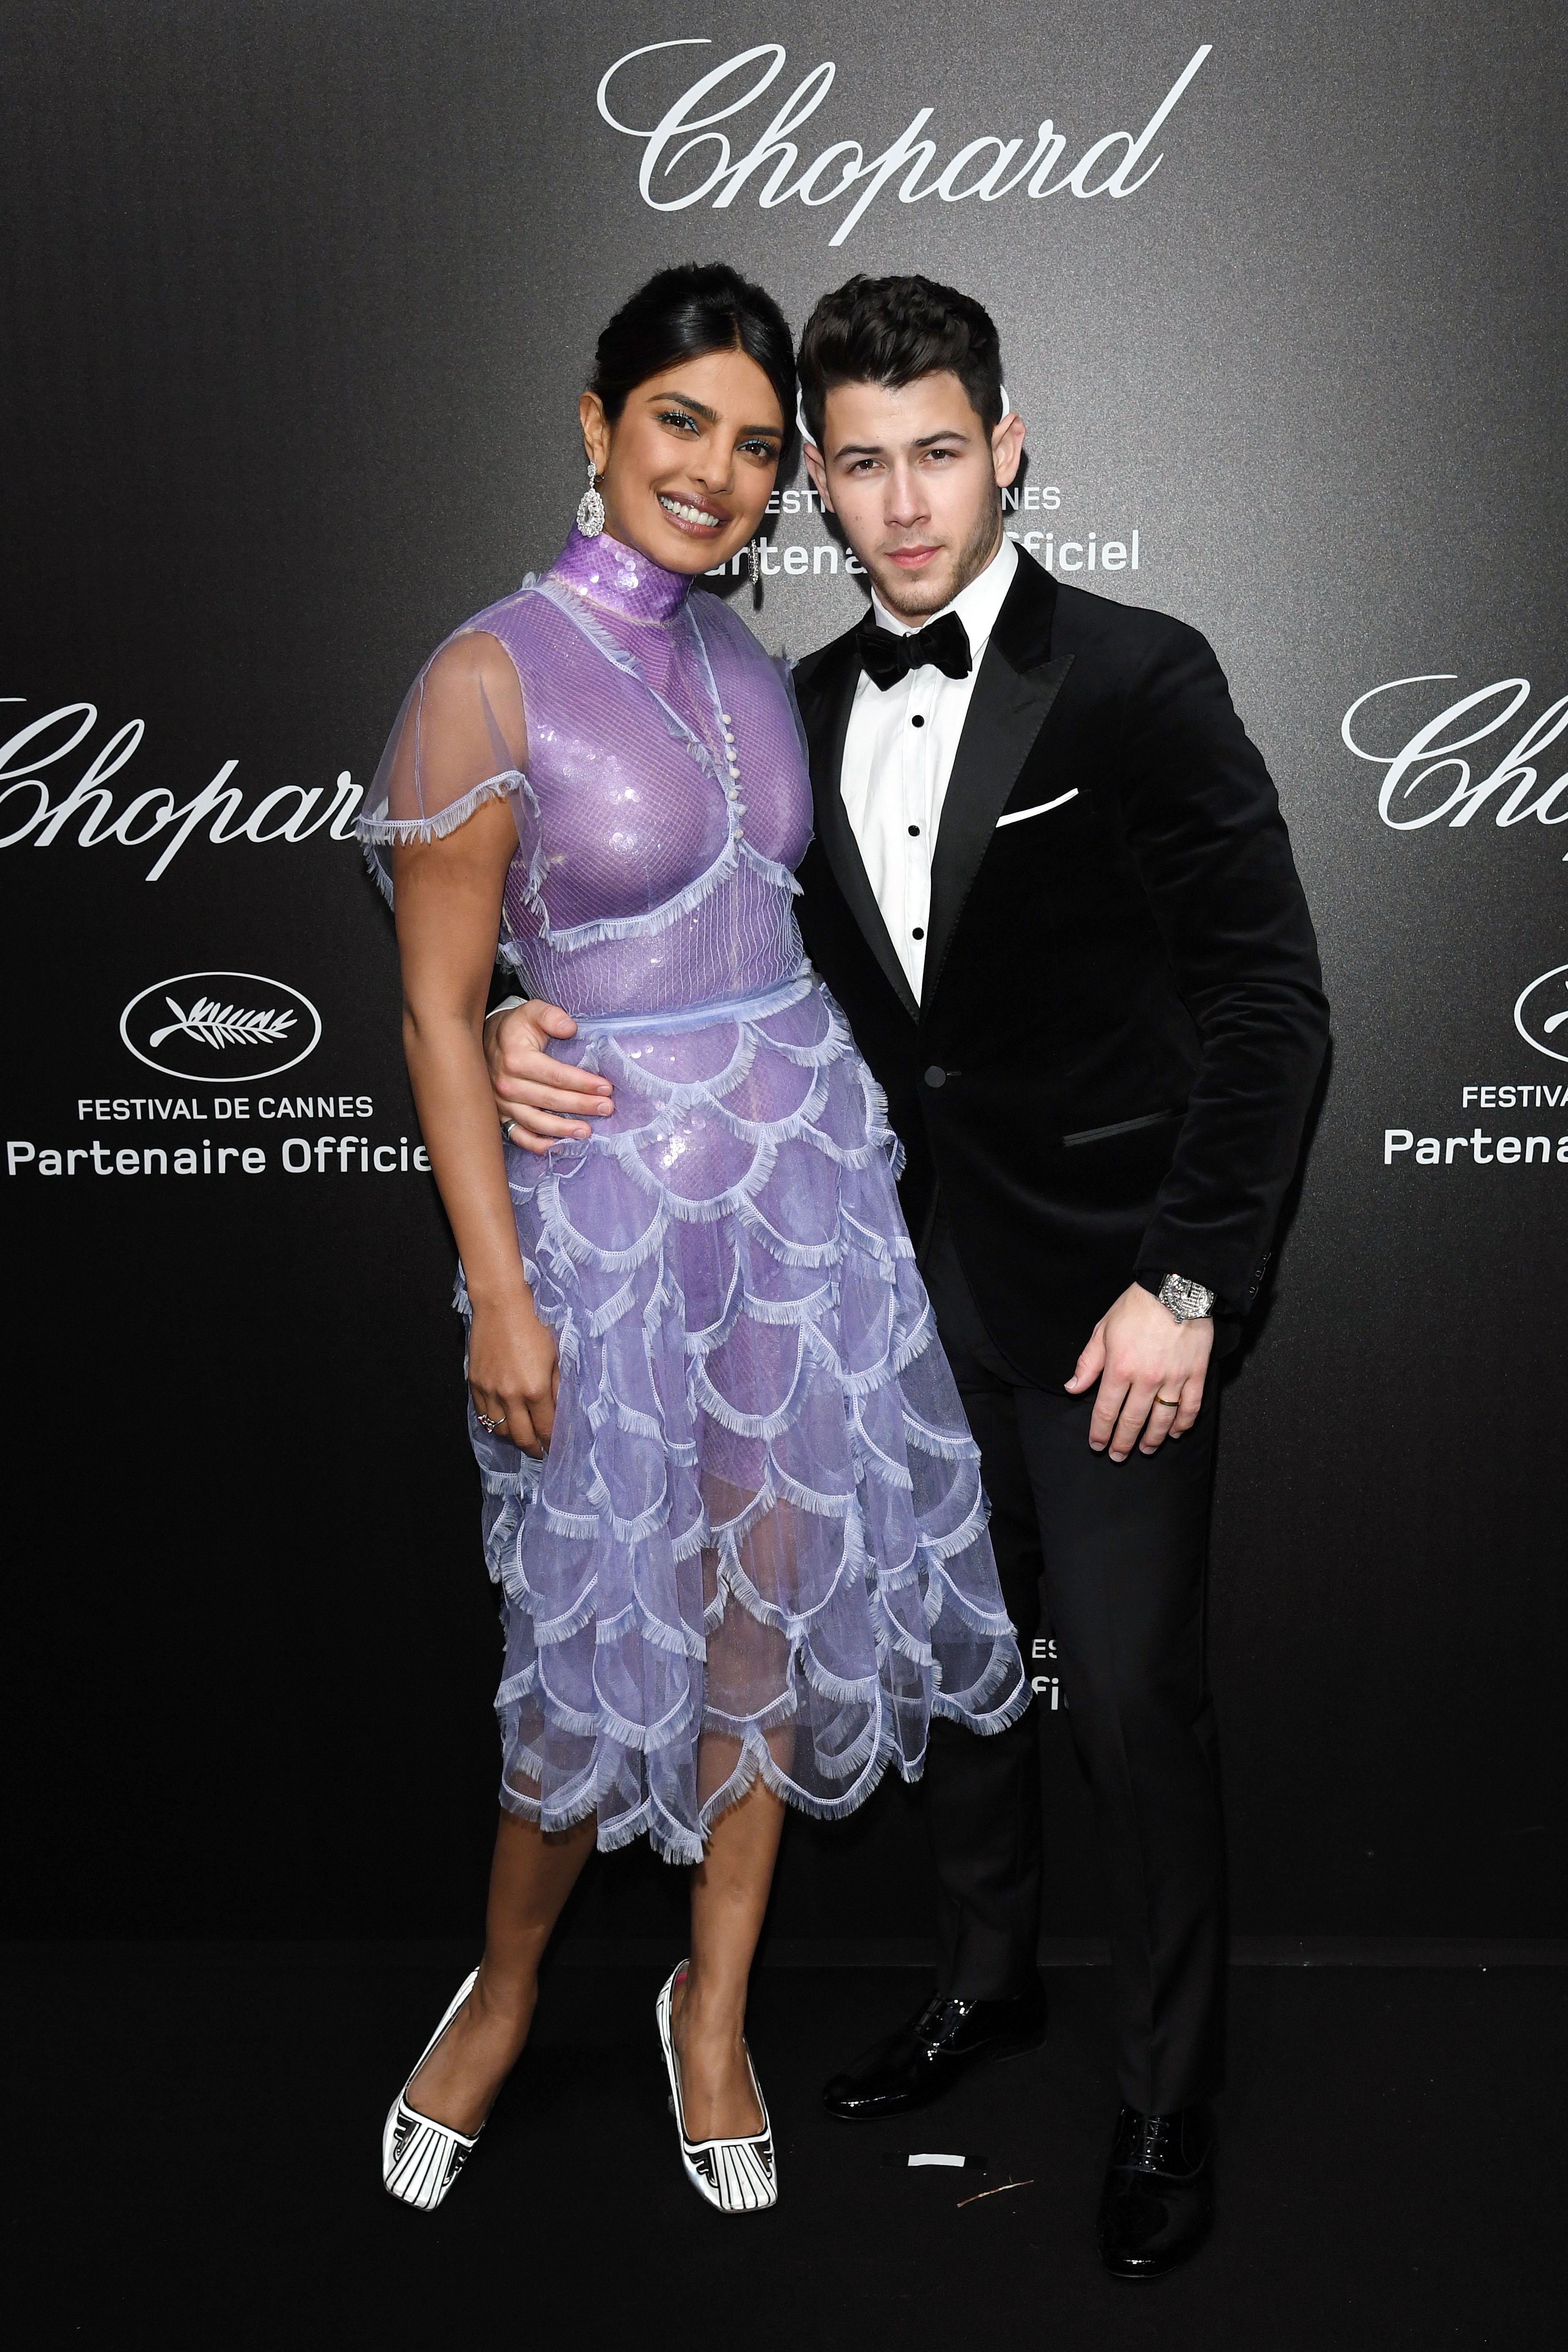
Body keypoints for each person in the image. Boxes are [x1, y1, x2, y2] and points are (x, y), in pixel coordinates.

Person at [487, 273, 1329, 2275]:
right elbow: (714, 965)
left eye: (934, 452)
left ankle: (1163, 2089)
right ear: (818, 496)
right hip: (876, 1298)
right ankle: (983, 1982)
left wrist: (1190, 1283)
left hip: (1114, 1302)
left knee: (1126, 1697)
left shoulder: (1136, 680)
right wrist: (526, 1016)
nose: (899, 500)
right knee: (954, 1681)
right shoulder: (786, 712)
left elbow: (1270, 1002)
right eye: (853, 465)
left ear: (1004, 449)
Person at [362, 263, 1026, 2219]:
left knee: (767, 1604)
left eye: (757, 448)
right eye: (682, 424)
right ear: (594, 420)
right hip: (607, 1226)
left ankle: (710, 2006)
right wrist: (496, 1277)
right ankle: (502, 1995)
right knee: (592, 1643)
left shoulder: (762, 671)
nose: (721, 475)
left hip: (804, 1201)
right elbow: (432, 1004)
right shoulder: (482, 671)